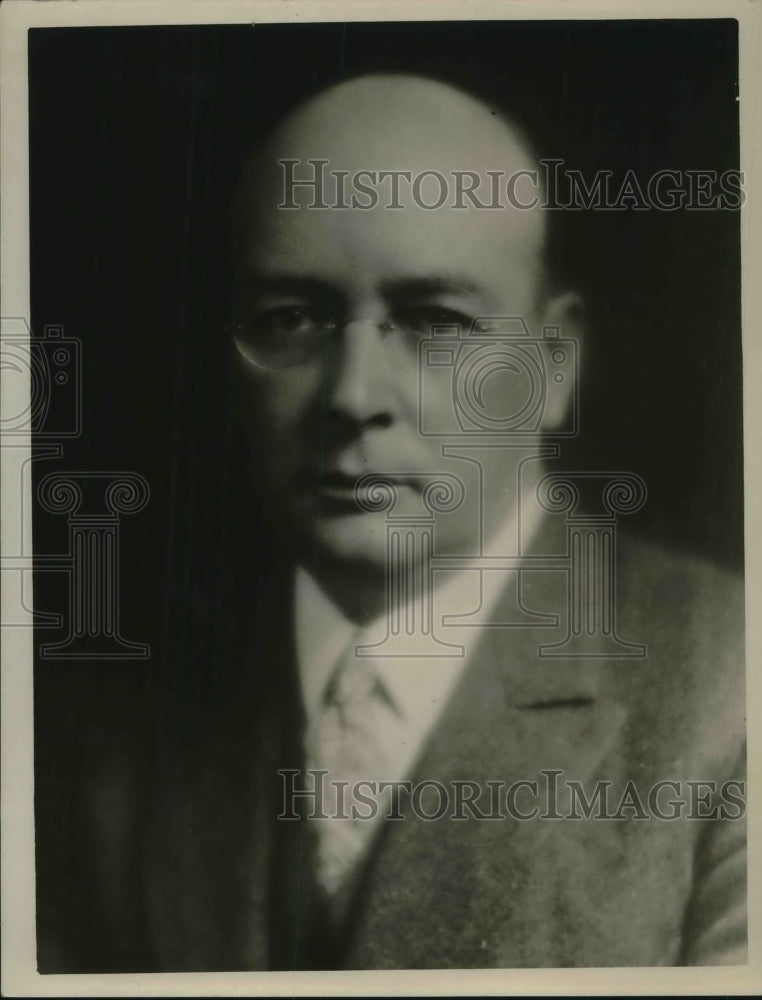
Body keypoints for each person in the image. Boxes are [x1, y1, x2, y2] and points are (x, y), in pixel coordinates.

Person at [36, 72, 745, 972]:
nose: (354, 395)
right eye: (292, 319)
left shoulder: (731, 689)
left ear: (551, 365)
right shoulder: (84, 722)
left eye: (434, 320)